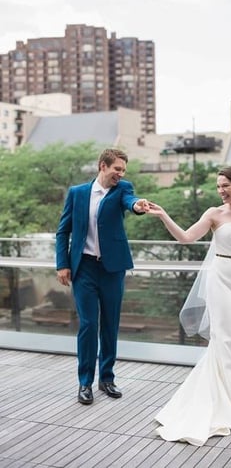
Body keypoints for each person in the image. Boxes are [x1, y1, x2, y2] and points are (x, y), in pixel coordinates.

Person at [147, 166, 231, 446]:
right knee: (226, 337)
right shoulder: (213, 214)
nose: (220, 190)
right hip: (220, 278)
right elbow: (186, 237)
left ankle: (230, 398)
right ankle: (230, 403)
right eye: (218, 186)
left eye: (225, 185)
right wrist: (163, 215)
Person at [56, 148, 149, 405]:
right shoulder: (77, 193)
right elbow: (63, 232)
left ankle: (106, 378)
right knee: (88, 324)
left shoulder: (122, 189)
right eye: (117, 169)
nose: (120, 174)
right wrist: (62, 264)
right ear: (103, 166)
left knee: (110, 324)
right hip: (84, 268)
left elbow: (130, 201)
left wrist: (138, 205)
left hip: (112, 269)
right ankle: (84, 382)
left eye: (123, 170)